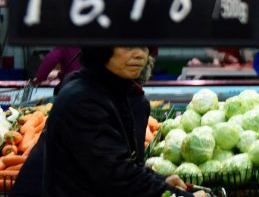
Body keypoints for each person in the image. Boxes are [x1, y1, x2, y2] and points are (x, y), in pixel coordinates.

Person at [11, 47, 204, 197]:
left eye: (144, 47)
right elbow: (117, 175)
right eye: (127, 46)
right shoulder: (82, 99)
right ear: (102, 49)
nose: (139, 54)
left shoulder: (118, 92)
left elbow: (122, 164)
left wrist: (161, 181)